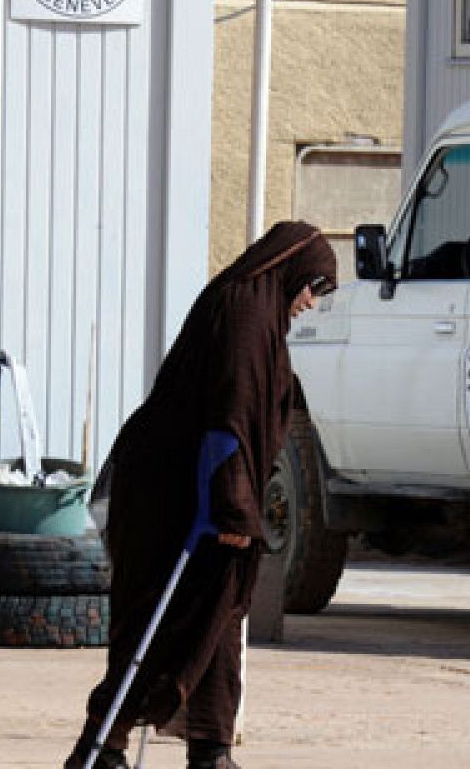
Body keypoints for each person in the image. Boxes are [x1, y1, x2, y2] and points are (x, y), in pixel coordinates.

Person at [65, 221, 338, 769]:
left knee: (216, 620)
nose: (312, 300)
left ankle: (211, 748)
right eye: (315, 285)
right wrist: (231, 503)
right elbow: (228, 419)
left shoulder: (260, 315)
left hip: (200, 490)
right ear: (291, 270)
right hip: (176, 494)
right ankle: (100, 748)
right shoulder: (244, 314)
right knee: (167, 618)